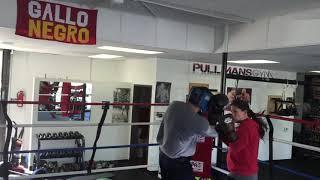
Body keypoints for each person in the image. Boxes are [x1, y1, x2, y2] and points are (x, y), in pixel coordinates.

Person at [157, 87, 228, 180]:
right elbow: (215, 132)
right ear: (204, 101)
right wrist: (219, 116)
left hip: (163, 155)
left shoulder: (174, 105)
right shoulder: (197, 121)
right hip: (178, 164)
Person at [223, 99, 267, 180]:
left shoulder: (245, 127)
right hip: (244, 171)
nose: (232, 114)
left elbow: (234, 147)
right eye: (231, 111)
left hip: (242, 173)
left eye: (235, 111)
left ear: (244, 112)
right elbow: (234, 144)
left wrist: (226, 132)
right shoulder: (249, 124)